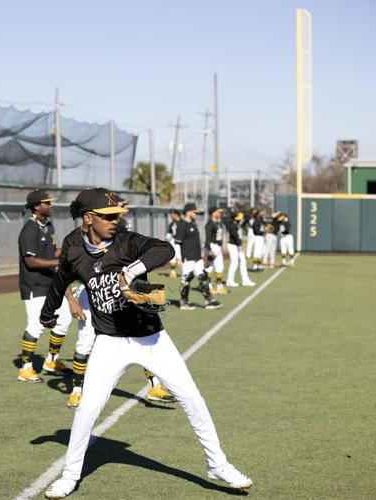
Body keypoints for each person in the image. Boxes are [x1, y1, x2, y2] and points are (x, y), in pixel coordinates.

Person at [39, 187, 252, 498]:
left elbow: (165, 249)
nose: (116, 220)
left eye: (118, 215)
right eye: (109, 216)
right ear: (88, 218)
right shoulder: (75, 251)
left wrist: (132, 270)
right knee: (86, 410)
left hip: (151, 338)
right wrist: (47, 316)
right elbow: (60, 283)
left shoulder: (126, 241)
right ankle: (70, 476)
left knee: (192, 398)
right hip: (109, 343)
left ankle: (217, 464)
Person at [64, 193, 175, 409]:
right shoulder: (73, 240)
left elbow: (134, 256)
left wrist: (139, 285)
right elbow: (63, 274)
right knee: (86, 341)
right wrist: (71, 301)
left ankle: (154, 384)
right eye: (114, 208)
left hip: (124, 287)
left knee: (140, 334)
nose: (118, 213)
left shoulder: (121, 227)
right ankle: (77, 390)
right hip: (92, 294)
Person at [17, 189, 77, 383]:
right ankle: (25, 369)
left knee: (65, 318)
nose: (50, 206)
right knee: (36, 324)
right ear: (36, 206)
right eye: (47, 203)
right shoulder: (29, 229)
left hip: (50, 283)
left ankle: (51, 361)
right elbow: (31, 261)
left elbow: (52, 252)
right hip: (34, 285)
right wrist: (57, 264)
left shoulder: (47, 226)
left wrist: (71, 251)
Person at [174, 202, 221, 310]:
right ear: (188, 212)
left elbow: (195, 241)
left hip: (197, 258)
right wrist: (178, 259)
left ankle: (209, 301)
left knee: (204, 278)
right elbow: (177, 243)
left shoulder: (193, 223)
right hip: (187, 258)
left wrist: (201, 254)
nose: (196, 214)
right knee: (185, 280)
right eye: (195, 212)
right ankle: (183, 303)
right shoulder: (181, 225)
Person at [224, 210, 256, 287]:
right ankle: (229, 280)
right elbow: (235, 236)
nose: (241, 218)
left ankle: (245, 280)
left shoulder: (237, 224)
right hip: (233, 245)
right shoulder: (232, 224)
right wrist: (240, 245)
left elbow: (246, 219)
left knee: (243, 262)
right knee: (234, 263)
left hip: (237, 245)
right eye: (239, 217)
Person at [204, 207, 229, 295]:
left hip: (217, 247)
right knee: (209, 267)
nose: (219, 213)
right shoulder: (209, 224)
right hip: (211, 246)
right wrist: (210, 249)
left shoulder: (219, 223)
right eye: (217, 212)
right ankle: (209, 287)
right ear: (212, 213)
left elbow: (220, 236)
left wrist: (221, 246)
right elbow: (207, 238)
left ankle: (219, 287)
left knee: (219, 267)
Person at [165, 209, 182, 278]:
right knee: (173, 257)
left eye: (172, 215)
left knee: (181, 258)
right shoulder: (172, 223)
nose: (171, 216)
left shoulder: (182, 223)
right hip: (174, 241)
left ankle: (185, 273)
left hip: (181, 242)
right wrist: (168, 236)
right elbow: (169, 232)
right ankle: (173, 271)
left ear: (176, 214)